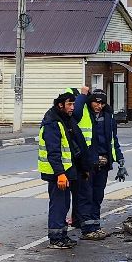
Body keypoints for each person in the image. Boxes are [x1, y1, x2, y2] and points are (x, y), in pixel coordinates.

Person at [75, 88, 125, 240]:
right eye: (97, 103)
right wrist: (83, 95)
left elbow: (113, 140)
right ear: (91, 102)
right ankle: (87, 229)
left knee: (97, 196)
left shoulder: (108, 116)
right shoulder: (82, 113)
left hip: (103, 162)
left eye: (102, 103)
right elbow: (76, 111)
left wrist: (120, 161)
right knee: (86, 196)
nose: (99, 106)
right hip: (87, 163)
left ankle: (95, 226)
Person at [39, 91, 81, 249]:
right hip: (56, 173)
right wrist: (60, 174)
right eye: (70, 104)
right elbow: (54, 152)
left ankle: (62, 235)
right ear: (60, 105)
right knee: (58, 205)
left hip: (64, 171)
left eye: (73, 104)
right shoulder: (53, 123)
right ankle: (56, 238)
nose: (72, 107)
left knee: (64, 204)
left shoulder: (63, 120)